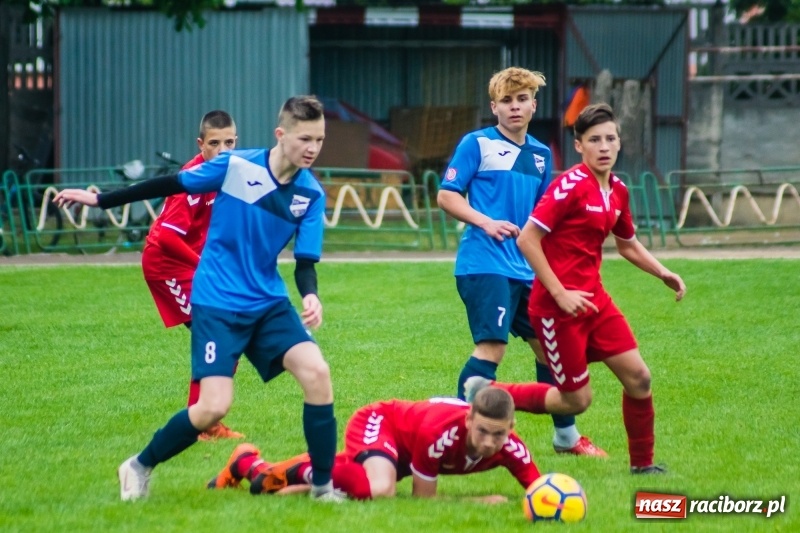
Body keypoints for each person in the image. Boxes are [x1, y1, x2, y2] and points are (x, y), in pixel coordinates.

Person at [55, 95, 342, 501]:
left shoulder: (310, 195)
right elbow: (170, 183)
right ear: (281, 135)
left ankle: (322, 488)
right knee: (212, 408)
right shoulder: (236, 166)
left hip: (269, 302)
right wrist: (101, 200)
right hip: (219, 302)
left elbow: (305, 263)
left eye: (319, 139)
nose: (313, 148)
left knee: (318, 374)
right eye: (305, 138)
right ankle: (138, 465)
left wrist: (311, 296)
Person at [436, 66, 605, 457]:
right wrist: (486, 221)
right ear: (494, 107)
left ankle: (566, 437)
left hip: (527, 269)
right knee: (492, 348)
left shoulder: (542, 155)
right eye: (507, 101)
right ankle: (460, 432)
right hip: (484, 264)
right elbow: (447, 195)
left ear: (534, 104)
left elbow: (546, 217)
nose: (515, 107)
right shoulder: (476, 144)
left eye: (522, 99)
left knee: (549, 350)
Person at [512, 103, 686, 474]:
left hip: (595, 302)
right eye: (594, 140)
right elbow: (527, 240)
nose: (604, 146)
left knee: (639, 377)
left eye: (610, 138)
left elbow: (627, 244)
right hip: (556, 308)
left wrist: (663, 273)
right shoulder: (569, 187)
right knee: (576, 401)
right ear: (579, 146)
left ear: (619, 143)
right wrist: (560, 293)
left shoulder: (618, 190)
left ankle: (642, 466)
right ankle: (494, 398)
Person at [207, 386, 541, 502]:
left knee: (353, 487)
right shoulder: (439, 433)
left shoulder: (512, 448)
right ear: (468, 419)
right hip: (382, 422)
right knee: (380, 490)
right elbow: (424, 500)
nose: (489, 442)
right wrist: (479, 500)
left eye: (499, 434)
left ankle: (251, 466)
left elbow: (540, 488)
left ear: (511, 428)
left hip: (400, 448)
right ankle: (263, 468)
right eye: (482, 431)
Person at [142, 110, 242, 441]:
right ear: (201, 144)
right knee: (215, 332)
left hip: (191, 264)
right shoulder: (194, 178)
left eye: (229, 142)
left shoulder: (231, 172)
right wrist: (205, 265)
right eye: (215, 144)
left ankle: (206, 420)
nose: (223, 150)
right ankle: (202, 423)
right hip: (167, 264)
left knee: (229, 334)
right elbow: (169, 237)